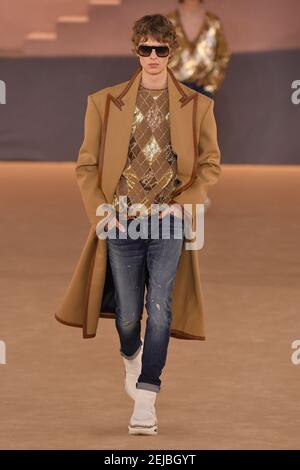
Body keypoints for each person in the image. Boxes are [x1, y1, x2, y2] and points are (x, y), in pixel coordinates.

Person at [55, 13, 221, 436]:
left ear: (170, 52)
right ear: (136, 50)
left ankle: (147, 396)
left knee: (160, 307)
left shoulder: (198, 106)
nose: (152, 56)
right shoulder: (103, 102)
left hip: (168, 222)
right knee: (128, 315)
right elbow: (86, 166)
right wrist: (102, 212)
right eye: (145, 49)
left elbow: (210, 165)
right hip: (122, 221)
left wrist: (183, 206)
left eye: (160, 49)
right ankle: (131, 356)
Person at [166, 0, 230, 211]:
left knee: (201, 141)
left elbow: (222, 56)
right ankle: (172, 190)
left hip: (204, 88)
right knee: (173, 139)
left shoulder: (213, 22)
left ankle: (199, 191)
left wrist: (212, 84)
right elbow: (158, 52)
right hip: (174, 87)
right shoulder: (167, 22)